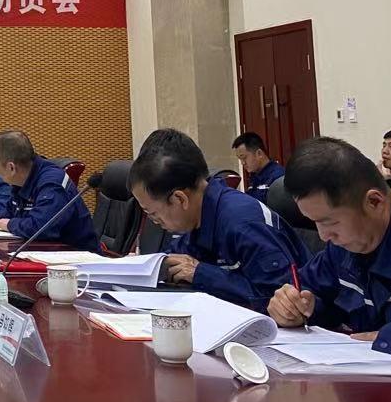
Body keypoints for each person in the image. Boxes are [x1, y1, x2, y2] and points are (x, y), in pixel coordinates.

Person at [268, 136, 391, 371]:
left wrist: (388, 337)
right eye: (314, 222)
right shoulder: (345, 244)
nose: (323, 236)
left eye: (329, 222)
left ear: (374, 201)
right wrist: (296, 309)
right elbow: (311, 290)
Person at [131, 128, 306, 311]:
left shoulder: (243, 223)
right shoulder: (197, 217)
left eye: (152, 213)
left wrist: (202, 274)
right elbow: (177, 260)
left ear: (180, 199)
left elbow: (281, 302)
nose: (154, 221)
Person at [0, 130, 100, 251]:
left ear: (11, 167)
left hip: (78, 256)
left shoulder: (52, 183)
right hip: (47, 252)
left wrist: (8, 224)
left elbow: (41, 228)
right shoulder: (21, 181)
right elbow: (12, 210)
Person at [232, 132, 283, 203]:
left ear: (259, 153)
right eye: (240, 159)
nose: (242, 163)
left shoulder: (278, 177)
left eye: (244, 157)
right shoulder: (253, 178)